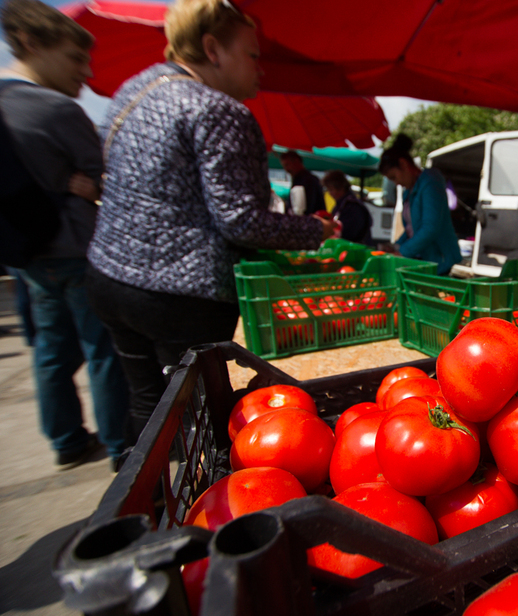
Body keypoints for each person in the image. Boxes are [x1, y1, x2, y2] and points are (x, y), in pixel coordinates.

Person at [85, 0, 335, 443]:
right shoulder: (219, 110)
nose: (261, 69)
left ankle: (149, 504)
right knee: (203, 426)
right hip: (179, 298)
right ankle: (203, 510)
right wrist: (315, 231)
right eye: (253, 55)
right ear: (213, 48)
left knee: (150, 412)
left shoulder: (133, 89)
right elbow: (241, 222)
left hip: (107, 276)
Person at [1, 0, 130, 470]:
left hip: (28, 254)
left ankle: (67, 440)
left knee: (51, 349)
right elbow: (107, 177)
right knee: (104, 349)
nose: (85, 72)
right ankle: (123, 444)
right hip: (77, 249)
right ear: (32, 44)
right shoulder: (55, 107)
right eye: (75, 58)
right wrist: (84, 183)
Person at [378, 134, 462, 275]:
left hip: (441, 261)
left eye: (394, 177)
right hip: (425, 261)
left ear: (403, 164)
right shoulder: (408, 193)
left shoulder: (431, 181)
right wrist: (396, 246)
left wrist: (403, 252)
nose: (395, 183)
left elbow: (430, 227)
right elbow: (412, 229)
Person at [322, 170, 373, 245]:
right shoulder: (342, 205)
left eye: (331, 189)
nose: (330, 193)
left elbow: (349, 233)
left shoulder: (352, 207)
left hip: (354, 251)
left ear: (340, 188)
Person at [280, 149, 325, 215]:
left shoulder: (308, 180)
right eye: (284, 166)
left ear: (296, 161)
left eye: (287, 165)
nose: (287, 169)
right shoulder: (299, 179)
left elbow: (309, 206)